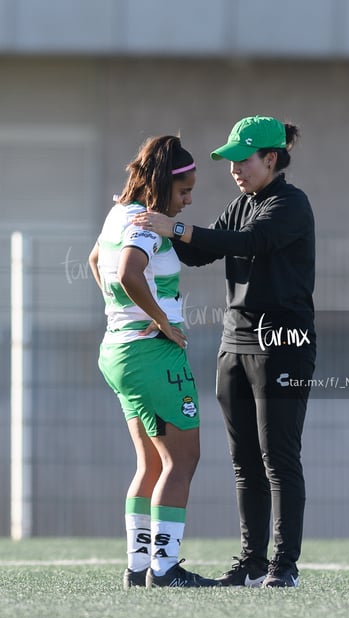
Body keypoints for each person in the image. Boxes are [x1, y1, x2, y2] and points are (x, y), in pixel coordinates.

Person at [133, 116, 316, 588]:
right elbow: (198, 251)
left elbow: (249, 242)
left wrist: (176, 227)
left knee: (279, 457)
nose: (234, 167)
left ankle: (283, 567)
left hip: (282, 345)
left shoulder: (291, 204)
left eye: (242, 158)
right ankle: (252, 562)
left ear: (270, 158)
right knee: (245, 462)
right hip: (234, 343)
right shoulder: (241, 204)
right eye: (230, 160)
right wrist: (146, 226)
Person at [88, 135, 220, 588]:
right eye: (184, 193)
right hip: (150, 355)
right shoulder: (147, 222)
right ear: (162, 186)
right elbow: (127, 271)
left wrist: (120, 315)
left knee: (150, 463)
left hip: (120, 349)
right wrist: (162, 320)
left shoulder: (117, 214)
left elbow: (95, 259)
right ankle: (164, 571)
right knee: (182, 462)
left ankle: (138, 566)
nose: (186, 202)